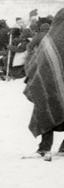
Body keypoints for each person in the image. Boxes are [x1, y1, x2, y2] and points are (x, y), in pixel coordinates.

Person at [23, 8, 64, 160]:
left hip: (48, 85)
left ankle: (44, 148)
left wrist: (33, 78)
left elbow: (37, 62)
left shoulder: (49, 40)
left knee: (46, 110)